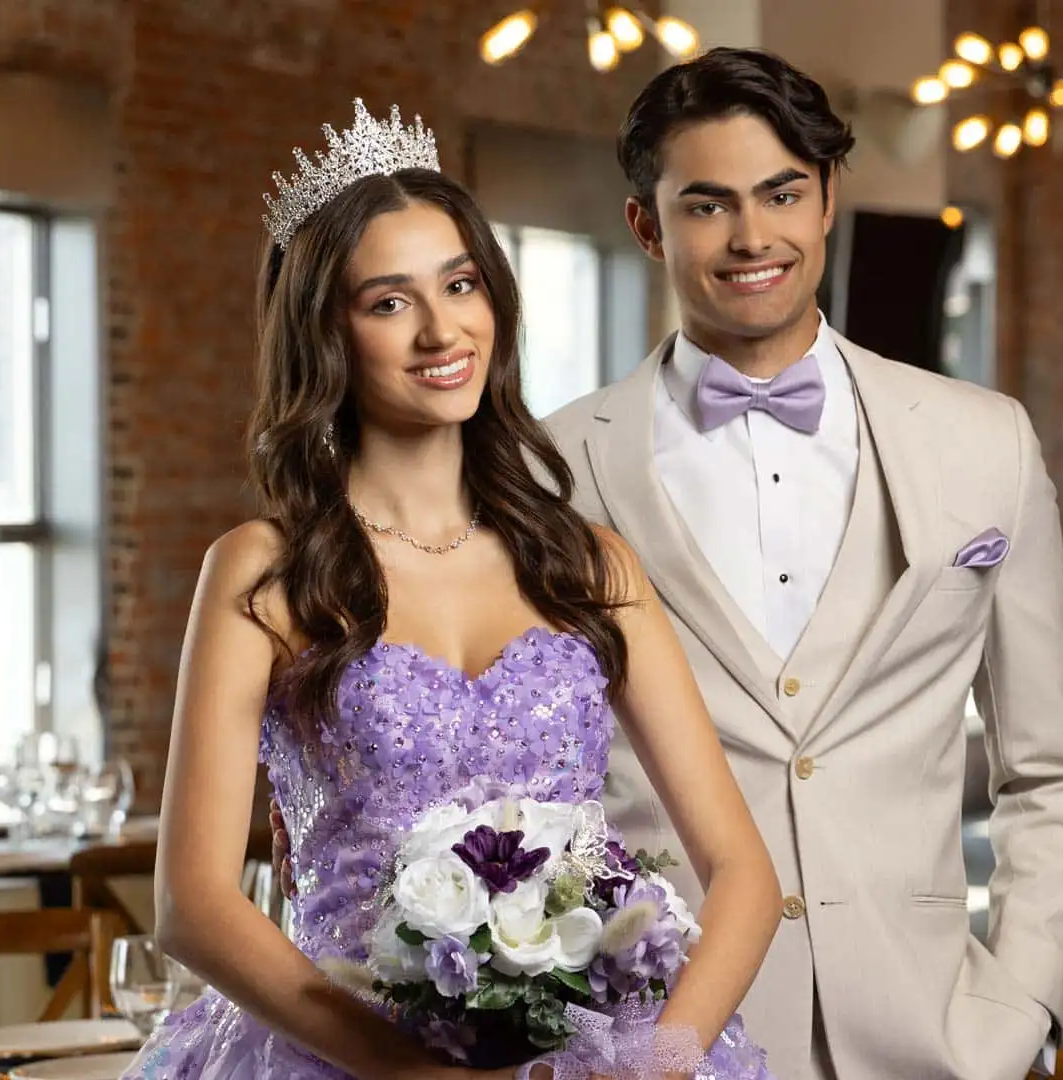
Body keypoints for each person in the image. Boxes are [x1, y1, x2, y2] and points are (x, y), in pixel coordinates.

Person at [125, 100, 781, 1080]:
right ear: (326, 334)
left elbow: (745, 877)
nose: (442, 330)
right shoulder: (265, 571)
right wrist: (412, 1075)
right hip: (340, 1054)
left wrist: (659, 1063)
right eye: (388, 302)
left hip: (585, 1058)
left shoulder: (588, 565)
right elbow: (193, 905)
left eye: (461, 284)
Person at [539, 48, 1063, 1080]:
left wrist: (1021, 1001)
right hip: (665, 1037)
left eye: (782, 194)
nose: (753, 237)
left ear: (828, 198)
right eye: (707, 205)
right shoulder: (552, 470)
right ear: (646, 225)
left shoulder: (986, 441)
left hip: (933, 1035)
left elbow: (1051, 770)